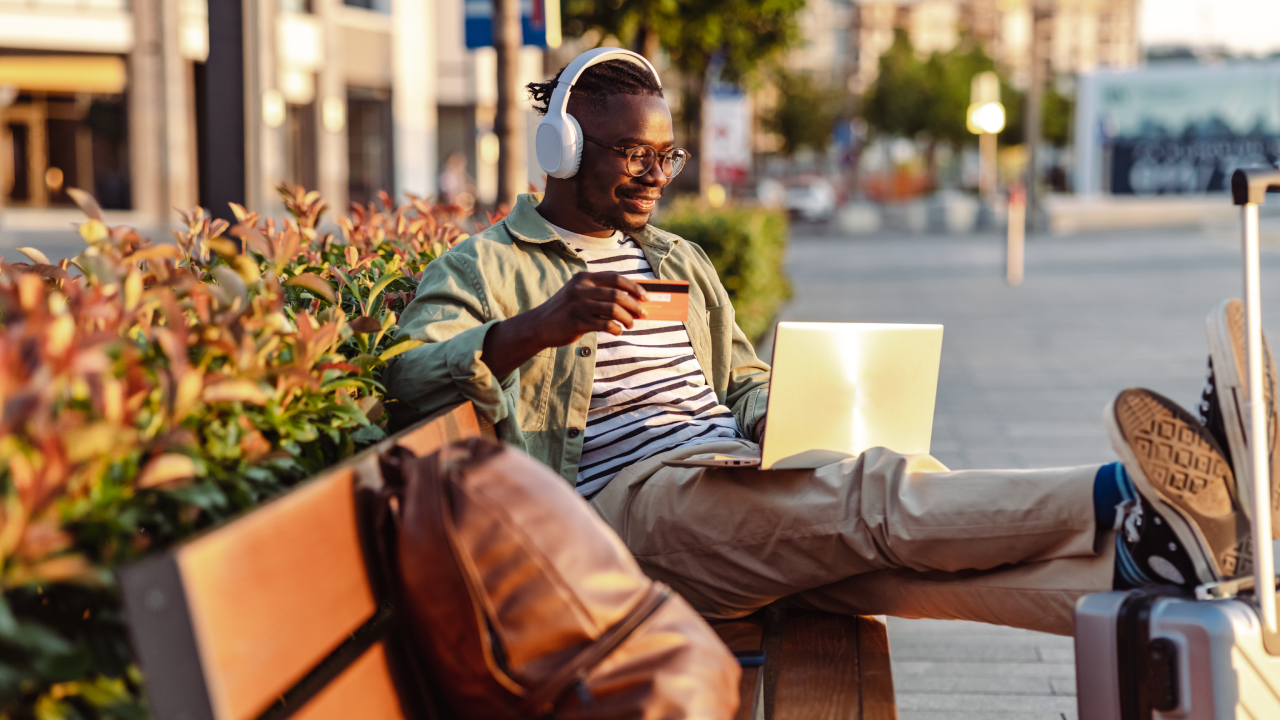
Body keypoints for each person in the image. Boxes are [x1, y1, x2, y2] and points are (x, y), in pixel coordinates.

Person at [385, 52, 1271, 636]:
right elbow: (405, 373)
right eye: (631, 156)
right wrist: (543, 324)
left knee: (912, 577)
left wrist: (784, 418)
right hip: (625, 514)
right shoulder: (491, 264)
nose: (656, 177)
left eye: (668, 157)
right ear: (563, 146)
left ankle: (1188, 584)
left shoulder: (675, 259)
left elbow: (739, 380)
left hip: (725, 478)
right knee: (876, 496)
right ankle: (1136, 489)